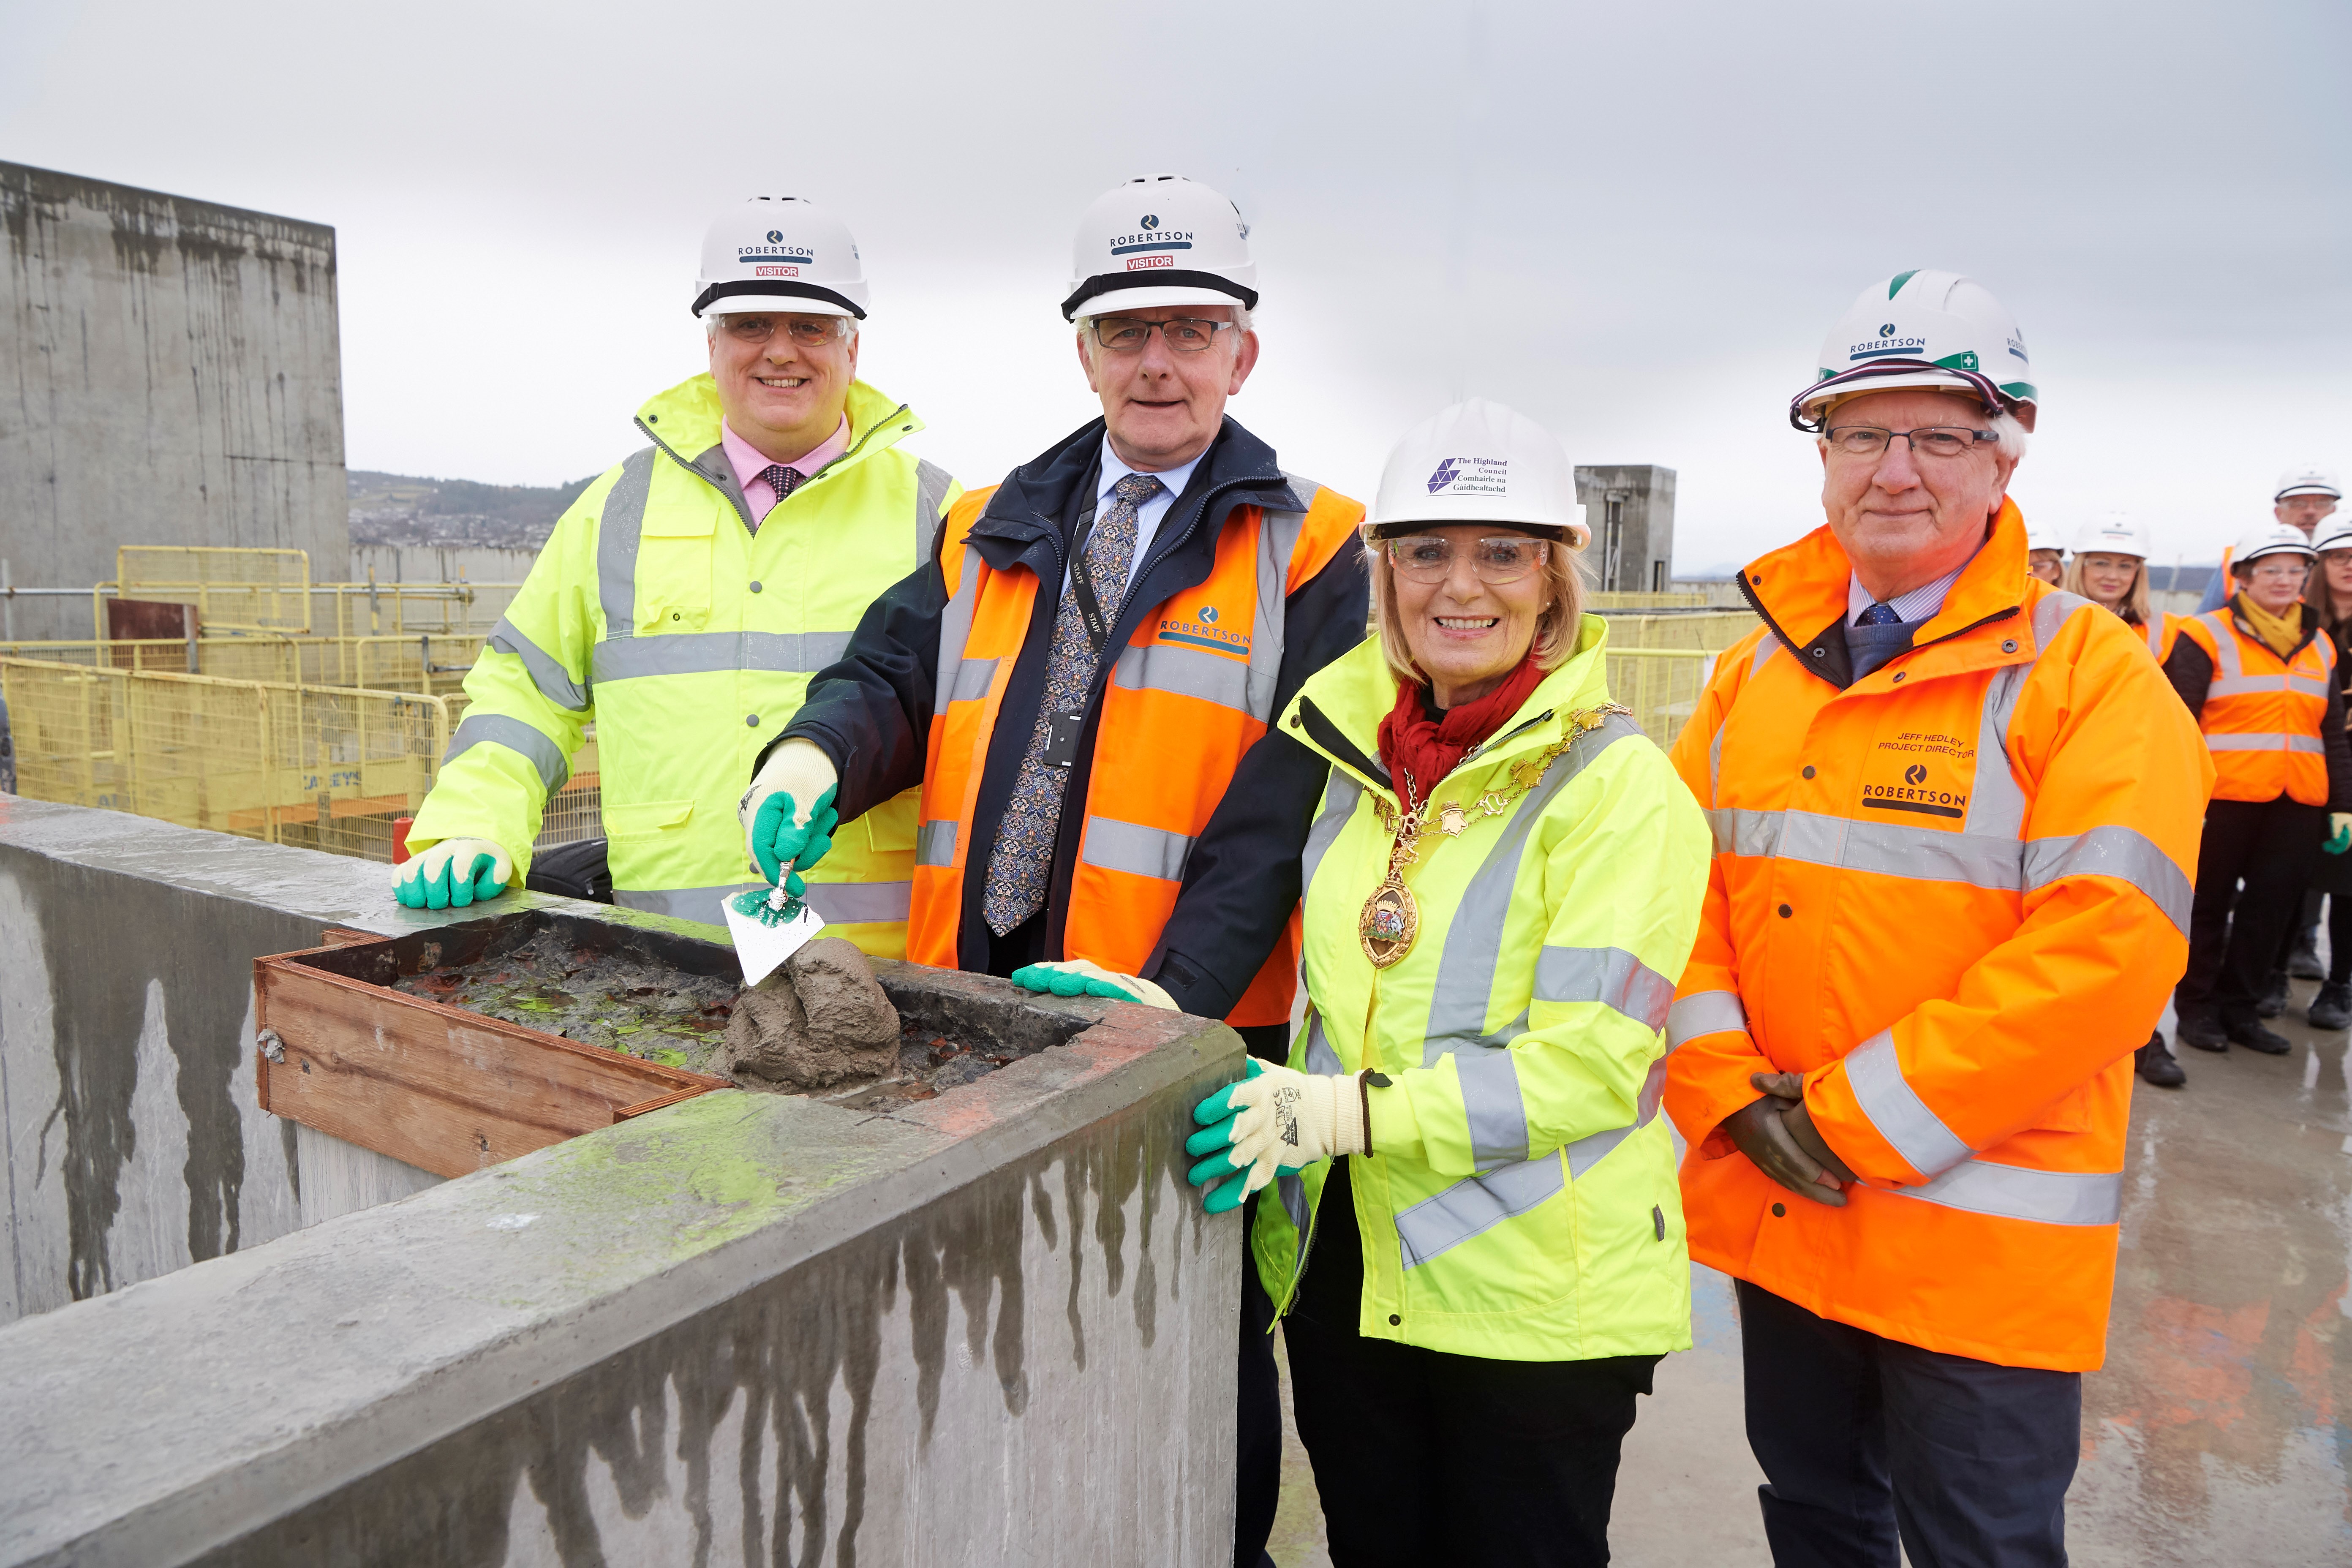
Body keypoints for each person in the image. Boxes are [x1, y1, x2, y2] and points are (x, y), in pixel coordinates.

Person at [756, 174, 1369, 1568]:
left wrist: (1162, 1006)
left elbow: (1281, 814)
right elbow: (889, 678)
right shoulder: (989, 520)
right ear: (1079, 349)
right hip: (973, 1014)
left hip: (1183, 1035)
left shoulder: (1316, 548)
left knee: (1194, 1339)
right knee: (993, 1318)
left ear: (1240, 350)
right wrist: (808, 758)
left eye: (1187, 328)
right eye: (1122, 330)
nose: (1155, 360)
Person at [1665, 269, 2210, 1566]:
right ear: (1821, 452)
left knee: (1977, 1545)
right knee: (1815, 1518)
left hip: (1976, 1255)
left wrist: (1839, 1120)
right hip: (1788, 1219)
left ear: (2004, 453)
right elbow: (1672, 902)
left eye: (1937, 434)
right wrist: (1723, 1087)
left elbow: (2102, 952)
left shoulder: (2090, 679)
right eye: (1859, 431)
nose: (1892, 468)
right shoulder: (1750, 675)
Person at [1182, 400, 1709, 1567]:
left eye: (1502, 553)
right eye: (1425, 551)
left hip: (1536, 1309)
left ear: (1556, 579)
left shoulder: (1618, 790)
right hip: (1354, 1275)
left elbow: (1589, 1068)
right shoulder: (1353, 759)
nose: (1459, 586)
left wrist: (1339, 1113)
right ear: (1384, 575)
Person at [395, 197, 956, 956]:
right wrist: (473, 824)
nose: (780, 351)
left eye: (810, 327)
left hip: (888, 978)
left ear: (852, 347)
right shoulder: (616, 512)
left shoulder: (939, 515)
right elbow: (524, 692)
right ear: (712, 342)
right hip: (666, 965)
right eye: (751, 324)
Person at [2165, 525, 2352, 1054]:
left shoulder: (2320, 644)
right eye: (2271, 569)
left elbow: (2331, 730)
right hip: (2221, 801)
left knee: (2269, 912)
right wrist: (2183, 798)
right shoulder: (2205, 634)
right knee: (2206, 908)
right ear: (2243, 577)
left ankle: (2240, 1009)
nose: (2284, 580)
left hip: (2298, 803)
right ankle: (2197, 1009)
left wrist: (2343, 805)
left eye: (2296, 570)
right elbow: (2179, 721)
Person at [2066, 514, 2194, 1086]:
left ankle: (2144, 1037)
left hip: (2140, 796)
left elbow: (2185, 718)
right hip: (2070, 790)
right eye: (2101, 563)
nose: (2112, 575)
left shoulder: (2166, 637)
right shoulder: (2049, 625)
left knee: (2142, 917)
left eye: (2125, 566)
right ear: (2081, 567)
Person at [2301, 516, 2352, 1031]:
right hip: (2302, 762)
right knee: (2292, 877)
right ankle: (2277, 970)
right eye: (2341, 557)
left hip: (2347, 765)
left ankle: (2340, 985)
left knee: (2348, 884)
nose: (2350, 567)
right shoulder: (2301, 625)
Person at [2194, 464, 2341, 613]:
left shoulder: (2347, 561)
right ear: (2278, 513)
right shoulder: (2240, 558)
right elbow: (2206, 624)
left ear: (2334, 512)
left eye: (2322, 504)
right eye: (2298, 504)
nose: (2310, 511)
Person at [2026, 521, 2066, 586]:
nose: (2028, 574)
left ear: (2056, 569)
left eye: (2037, 567)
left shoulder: (2070, 597)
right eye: (2020, 569)